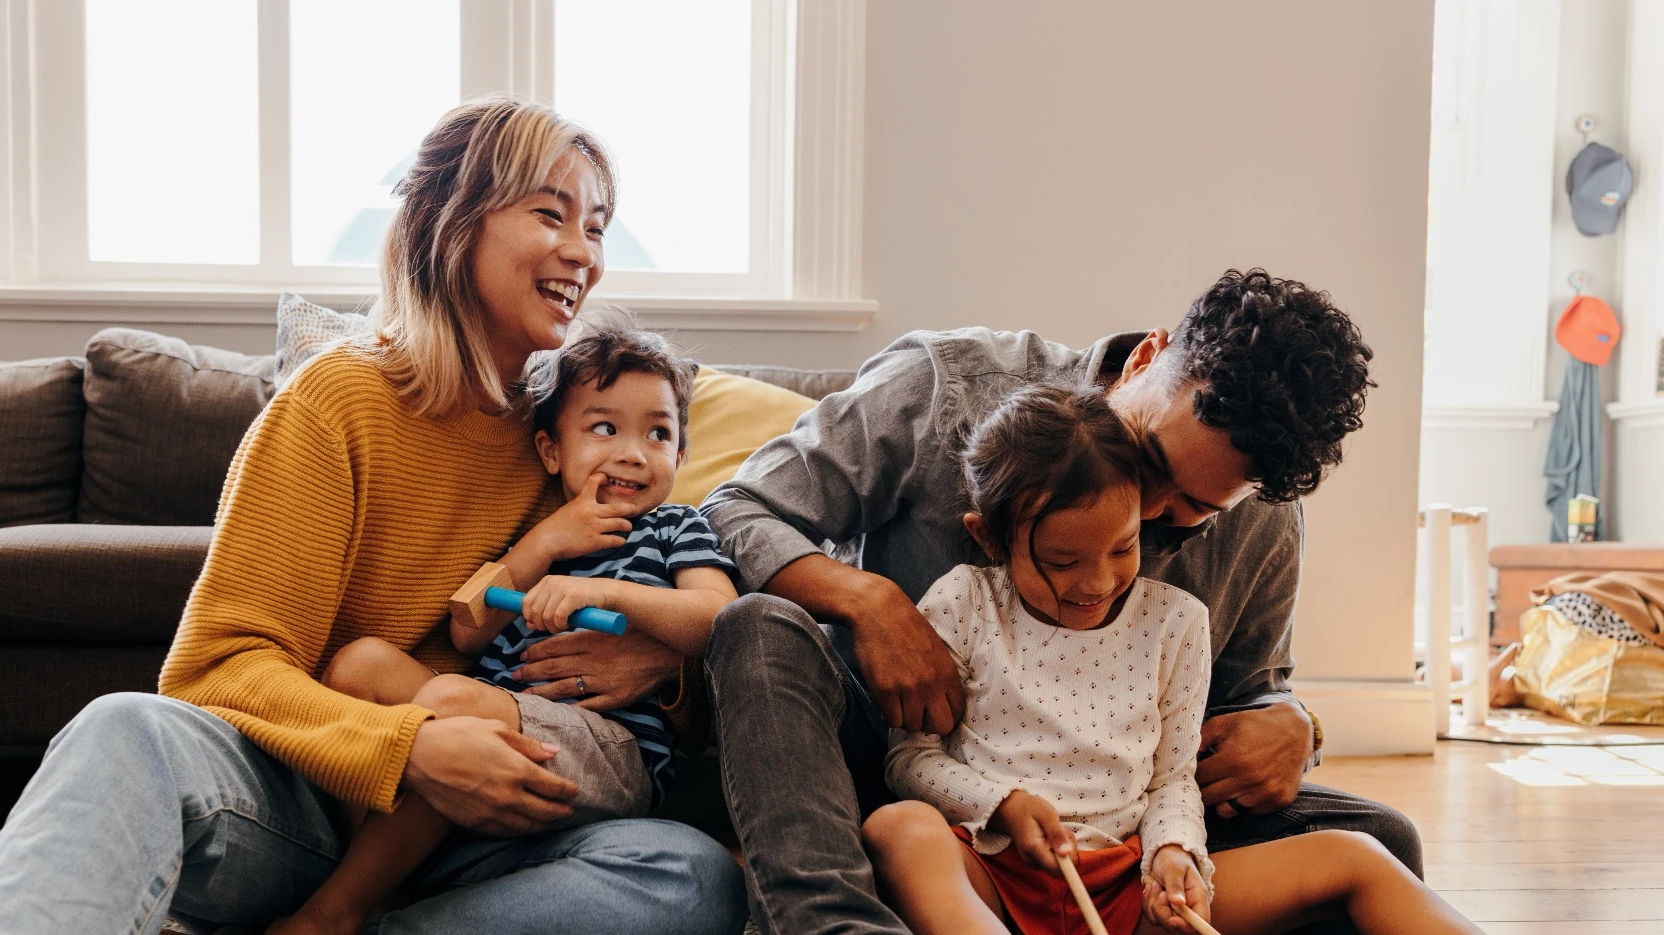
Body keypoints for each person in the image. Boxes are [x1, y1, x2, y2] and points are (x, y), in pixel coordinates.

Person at [0, 99, 746, 935]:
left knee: (689, 878)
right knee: (124, 728)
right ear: (453, 224)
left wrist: (661, 667)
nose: (583, 252)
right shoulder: (338, 401)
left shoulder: (568, 437)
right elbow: (216, 666)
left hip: (487, 828)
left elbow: (659, 622)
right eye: (551, 213)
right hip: (308, 805)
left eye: (598, 228)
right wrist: (407, 748)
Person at [701, 269, 1412, 934]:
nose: (1153, 508)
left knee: (1385, 840)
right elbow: (736, 507)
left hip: (1109, 820)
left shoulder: (1262, 522)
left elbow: (1246, 696)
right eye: (1154, 461)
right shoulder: (944, 386)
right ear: (1147, 360)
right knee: (758, 628)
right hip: (898, 765)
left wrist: (1295, 727)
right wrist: (870, 601)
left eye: (1195, 507)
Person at [862, 384, 1480, 935]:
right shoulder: (964, 601)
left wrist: (1173, 854)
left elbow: (1171, 780)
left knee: (1361, 856)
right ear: (991, 538)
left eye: (1123, 547)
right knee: (898, 830)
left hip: (1127, 883)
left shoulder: (1178, 621)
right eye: (1060, 561)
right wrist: (1003, 805)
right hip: (993, 869)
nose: (1096, 582)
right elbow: (910, 760)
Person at [269, 327, 738, 935]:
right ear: (550, 450)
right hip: (504, 711)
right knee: (360, 663)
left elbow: (719, 618)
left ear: (678, 458)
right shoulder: (542, 530)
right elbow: (467, 631)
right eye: (604, 428)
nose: (632, 452)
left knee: (452, 702)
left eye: (658, 433)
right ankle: (379, 880)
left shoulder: (677, 526)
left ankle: (334, 914)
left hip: (610, 745)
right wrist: (544, 543)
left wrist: (605, 591)